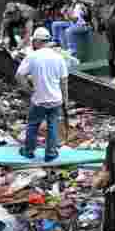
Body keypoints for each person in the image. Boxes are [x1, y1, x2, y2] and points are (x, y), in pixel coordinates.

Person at [15, 27, 69, 162]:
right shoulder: (59, 57)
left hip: (39, 100)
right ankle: (50, 154)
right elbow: (64, 82)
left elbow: (19, 76)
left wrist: (28, 90)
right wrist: (65, 101)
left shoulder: (32, 56)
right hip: (56, 100)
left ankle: (28, 151)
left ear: (37, 41)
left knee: (33, 124)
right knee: (53, 126)